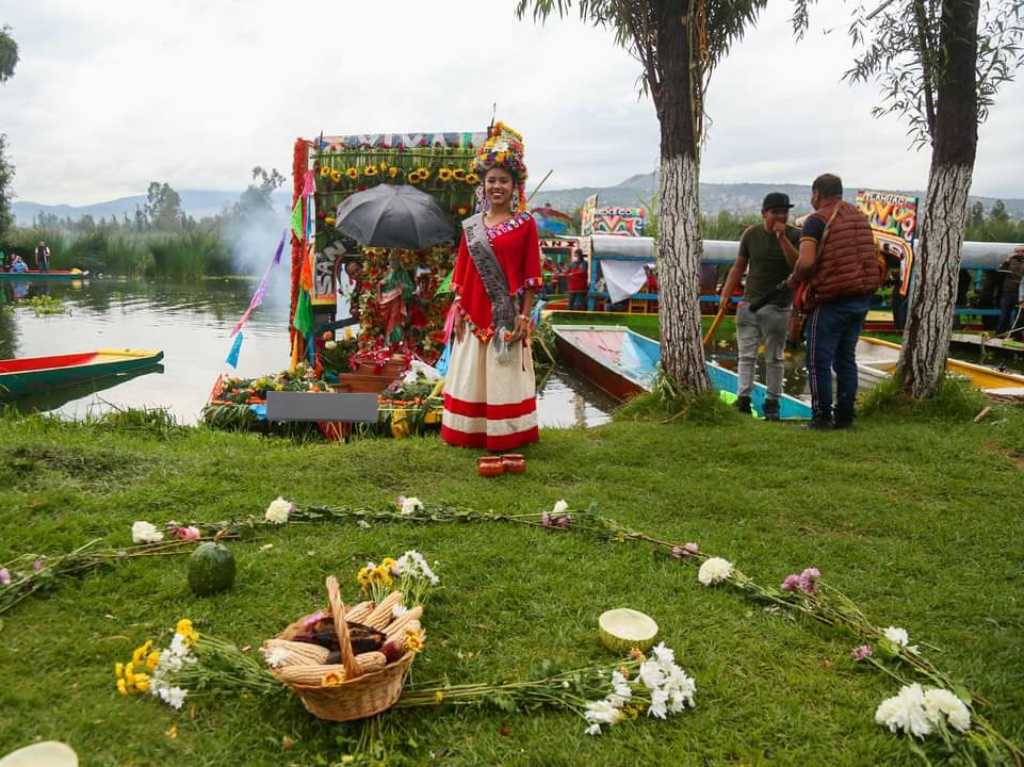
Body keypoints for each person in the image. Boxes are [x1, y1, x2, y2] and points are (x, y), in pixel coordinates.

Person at [441, 121, 542, 451]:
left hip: (507, 315)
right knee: (472, 374)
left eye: (504, 181)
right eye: (491, 181)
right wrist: (457, 309)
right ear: (482, 186)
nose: (497, 186)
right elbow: (462, 272)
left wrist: (525, 316)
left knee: (503, 375)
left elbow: (531, 276)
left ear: (515, 187)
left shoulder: (526, 226)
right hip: (472, 312)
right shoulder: (471, 227)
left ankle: (506, 433)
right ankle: (469, 432)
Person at [789, 173, 884, 429]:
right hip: (860, 298)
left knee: (818, 359)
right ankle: (845, 416)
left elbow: (807, 262)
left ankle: (821, 417)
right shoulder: (859, 218)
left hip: (831, 299)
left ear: (817, 194)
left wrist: (795, 277)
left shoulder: (816, 221)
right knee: (845, 358)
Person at [718, 192, 800, 420]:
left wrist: (781, 238)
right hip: (749, 305)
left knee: (774, 358)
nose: (781, 216)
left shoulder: (795, 235)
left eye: (785, 212)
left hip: (779, 307)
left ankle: (772, 404)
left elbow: (798, 266)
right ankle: (743, 400)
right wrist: (726, 293)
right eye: (776, 212)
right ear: (764, 213)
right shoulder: (751, 234)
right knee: (746, 356)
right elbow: (738, 266)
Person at [996, 246, 1024, 335]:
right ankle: (1000, 333)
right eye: (1017, 251)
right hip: (1008, 290)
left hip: (1021, 292)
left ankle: (1015, 335)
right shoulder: (1010, 261)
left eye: (1022, 251)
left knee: (1019, 315)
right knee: (1004, 313)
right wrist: (1007, 260)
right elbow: (1000, 271)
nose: (1019, 253)